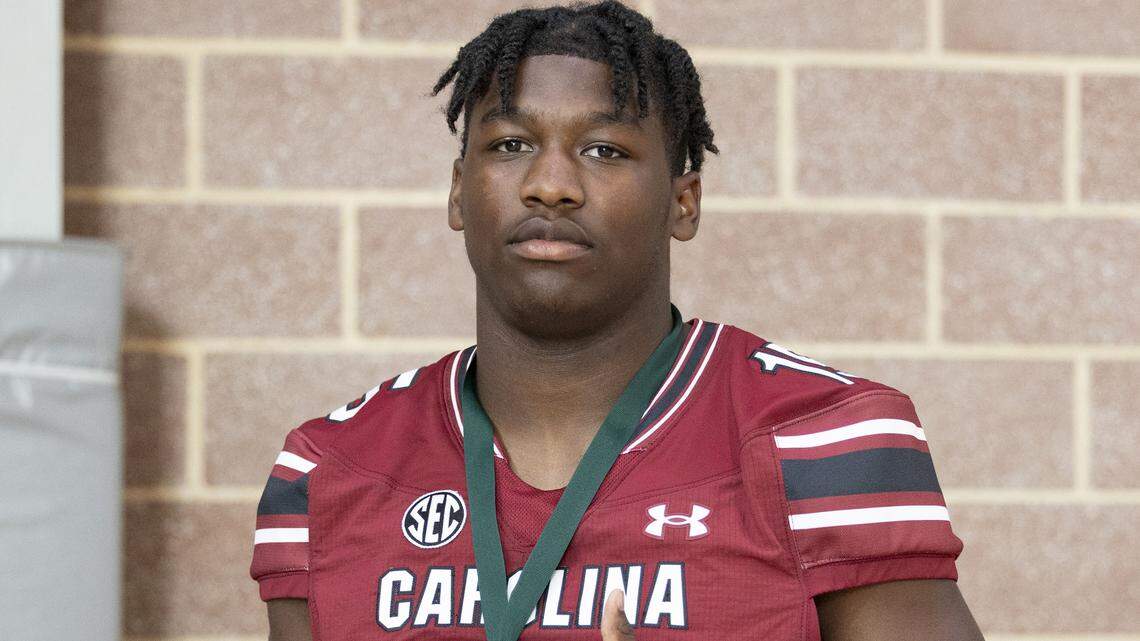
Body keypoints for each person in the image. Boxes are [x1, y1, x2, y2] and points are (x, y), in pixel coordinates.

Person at [250, 2, 984, 640]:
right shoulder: (331, 469)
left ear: (683, 202)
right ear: (458, 191)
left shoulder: (824, 439)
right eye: (510, 145)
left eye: (604, 149)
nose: (551, 185)